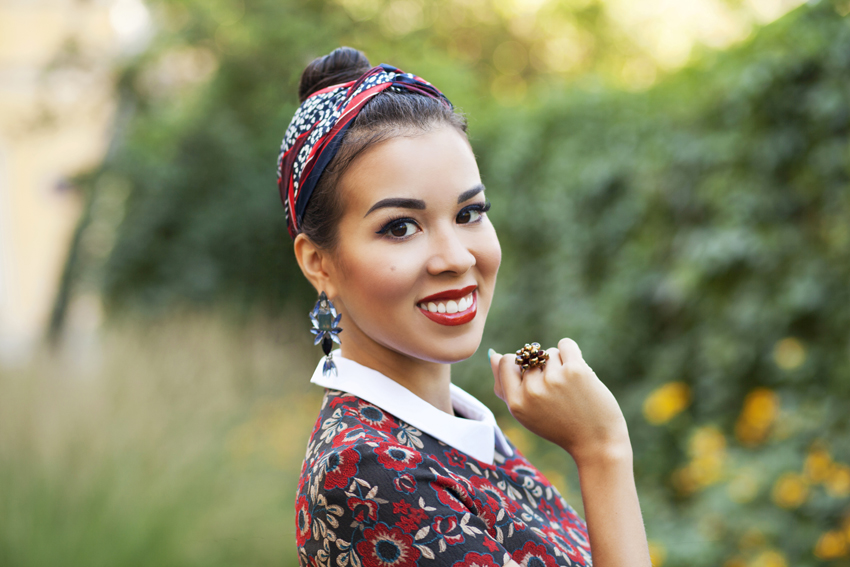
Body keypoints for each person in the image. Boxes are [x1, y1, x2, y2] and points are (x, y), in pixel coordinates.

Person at [279, 46, 651, 567]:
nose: (456, 258)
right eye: (400, 227)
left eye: (469, 213)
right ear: (318, 263)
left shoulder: (452, 427)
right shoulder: (367, 472)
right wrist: (603, 451)